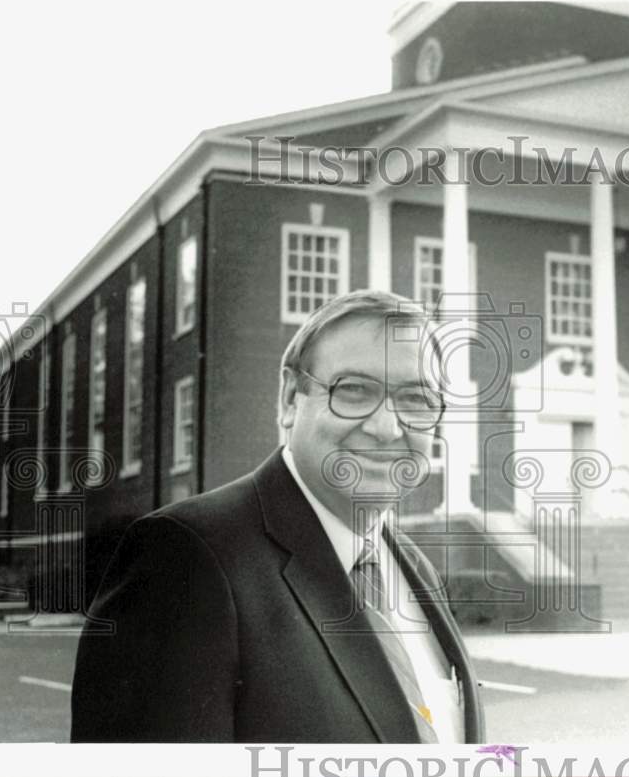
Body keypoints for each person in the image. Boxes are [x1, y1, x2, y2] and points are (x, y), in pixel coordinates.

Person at [70, 290, 485, 743]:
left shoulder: (412, 569)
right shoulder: (184, 558)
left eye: (416, 399)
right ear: (291, 398)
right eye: (354, 390)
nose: (387, 428)